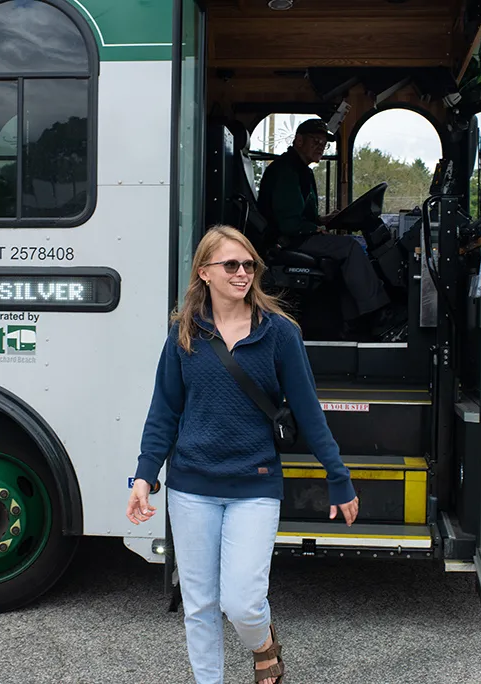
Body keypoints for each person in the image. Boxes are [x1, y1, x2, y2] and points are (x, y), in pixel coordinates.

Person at [127, 224, 359, 684]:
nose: (242, 272)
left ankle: (263, 643)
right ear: (205, 273)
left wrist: (338, 476)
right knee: (199, 605)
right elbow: (164, 412)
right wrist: (144, 476)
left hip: (255, 483)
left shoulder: (279, 334)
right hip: (192, 486)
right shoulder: (184, 334)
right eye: (230, 264)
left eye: (249, 264)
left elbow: (310, 414)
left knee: (242, 601)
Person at [257, 118, 395, 329]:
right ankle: (377, 314)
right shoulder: (286, 171)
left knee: (349, 245)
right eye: (316, 141)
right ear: (299, 140)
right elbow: (289, 224)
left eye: (324, 143)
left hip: (298, 235)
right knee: (350, 247)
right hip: (287, 241)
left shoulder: (303, 171)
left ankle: (352, 321)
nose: (321, 147)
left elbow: (304, 215)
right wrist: (317, 229)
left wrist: (323, 220)